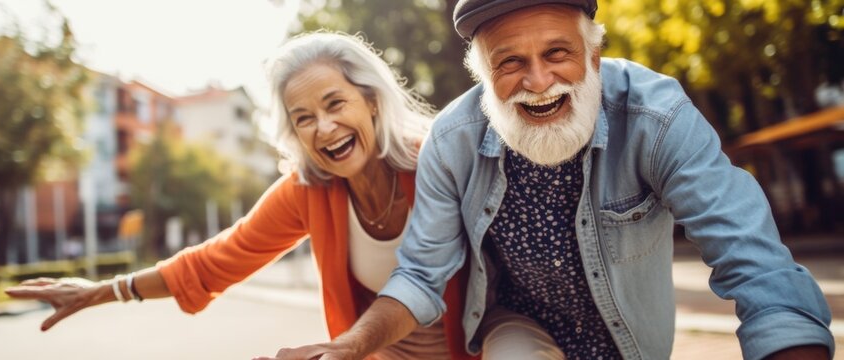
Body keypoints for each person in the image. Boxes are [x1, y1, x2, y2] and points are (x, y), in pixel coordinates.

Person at [263, 1, 836, 360]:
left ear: (593, 53)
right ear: (482, 74)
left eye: (557, 53)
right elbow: (420, 274)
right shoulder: (453, 140)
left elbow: (754, 264)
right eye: (509, 62)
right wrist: (348, 348)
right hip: (517, 328)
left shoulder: (657, 118)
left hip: (632, 340)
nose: (537, 81)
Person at [5, 32, 477, 360]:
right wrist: (98, 292)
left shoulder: (437, 161)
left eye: (335, 103)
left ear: (371, 100)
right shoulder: (309, 190)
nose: (324, 128)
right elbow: (214, 261)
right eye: (303, 117)